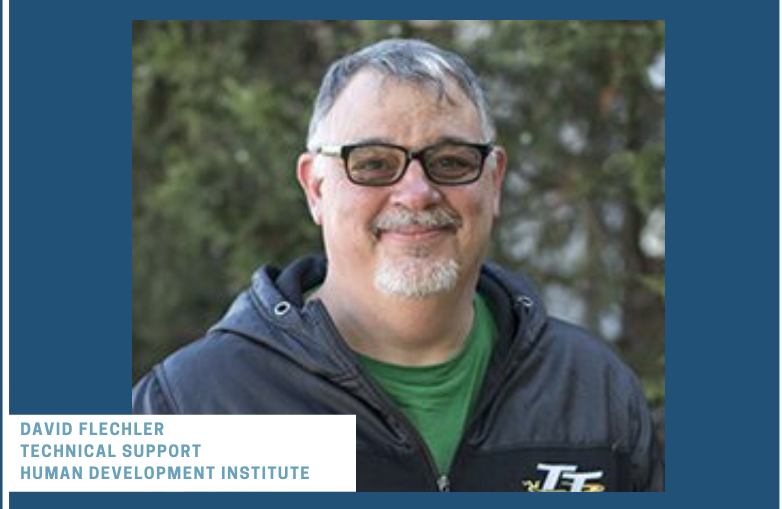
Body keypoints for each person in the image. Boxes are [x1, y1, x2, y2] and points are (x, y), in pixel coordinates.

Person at [132, 38, 664, 492]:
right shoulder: (196, 404)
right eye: (374, 163)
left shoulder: (594, 393)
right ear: (316, 188)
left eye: (452, 160)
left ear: (494, 181)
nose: (416, 191)